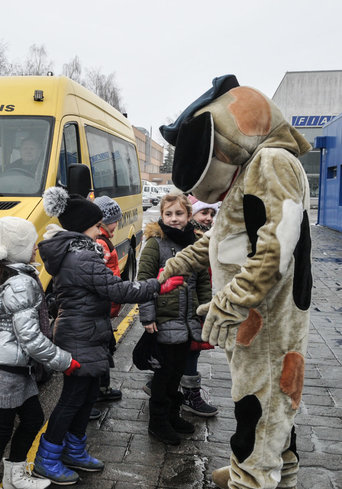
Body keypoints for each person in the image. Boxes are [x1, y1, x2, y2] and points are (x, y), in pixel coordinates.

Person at [158, 75, 312, 489]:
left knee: (260, 401)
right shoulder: (252, 170)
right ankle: (271, 468)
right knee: (270, 398)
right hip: (255, 317)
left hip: (266, 317)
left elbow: (278, 245)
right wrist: (181, 263)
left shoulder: (272, 162)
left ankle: (255, 478)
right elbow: (223, 235)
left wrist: (231, 302)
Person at [32, 187, 172, 485]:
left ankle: (74, 449)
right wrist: (157, 284)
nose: (101, 230)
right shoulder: (81, 257)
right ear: (84, 226)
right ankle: (46, 458)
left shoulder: (81, 253)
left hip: (88, 331)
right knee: (72, 398)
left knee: (86, 396)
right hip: (80, 334)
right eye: (97, 225)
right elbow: (117, 289)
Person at [0, 216, 77, 489]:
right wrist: (64, 361)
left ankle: (14, 475)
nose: (35, 247)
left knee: (32, 419)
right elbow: (31, 338)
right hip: (7, 369)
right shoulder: (21, 282)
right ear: (18, 247)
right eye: (31, 242)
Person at [137, 192, 212, 446]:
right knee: (164, 374)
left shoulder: (196, 243)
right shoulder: (155, 244)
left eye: (179, 214)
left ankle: (172, 415)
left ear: (189, 216)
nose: (173, 219)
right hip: (163, 321)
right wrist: (147, 317)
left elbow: (203, 282)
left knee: (178, 372)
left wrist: (204, 313)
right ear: (161, 216)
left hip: (188, 321)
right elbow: (144, 282)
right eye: (168, 214)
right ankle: (158, 423)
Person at [178, 194, 219, 418]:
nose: (209, 217)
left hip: (198, 302)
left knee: (188, 348)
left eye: (212, 214)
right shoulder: (191, 239)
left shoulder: (206, 238)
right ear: (192, 213)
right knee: (191, 349)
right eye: (204, 212)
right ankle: (190, 395)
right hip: (188, 304)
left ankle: (162, 383)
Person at [91, 195, 124, 408]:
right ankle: (93, 398)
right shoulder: (100, 242)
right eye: (114, 220)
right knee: (100, 351)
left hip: (107, 305)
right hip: (102, 305)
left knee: (105, 349)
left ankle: (103, 390)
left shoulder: (104, 238)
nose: (116, 225)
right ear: (102, 221)